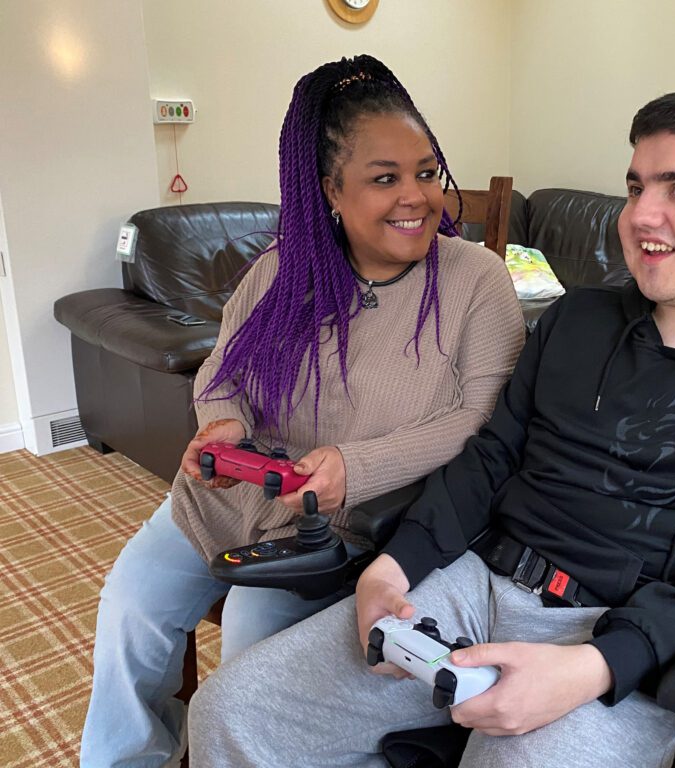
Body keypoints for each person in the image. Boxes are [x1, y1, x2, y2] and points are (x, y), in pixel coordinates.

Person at [187, 86, 675, 768]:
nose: (641, 216)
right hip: (469, 584)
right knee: (230, 713)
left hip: (622, 637)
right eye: (635, 188)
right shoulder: (577, 322)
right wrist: (392, 569)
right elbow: (491, 456)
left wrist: (594, 667)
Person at [80, 56, 524, 767]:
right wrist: (220, 424)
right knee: (131, 614)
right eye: (385, 178)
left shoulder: (478, 282)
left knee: (254, 660)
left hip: (337, 531)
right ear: (332, 192)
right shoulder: (288, 269)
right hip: (230, 498)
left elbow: (480, 419)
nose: (417, 197)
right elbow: (223, 371)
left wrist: (357, 466)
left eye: (428, 171)